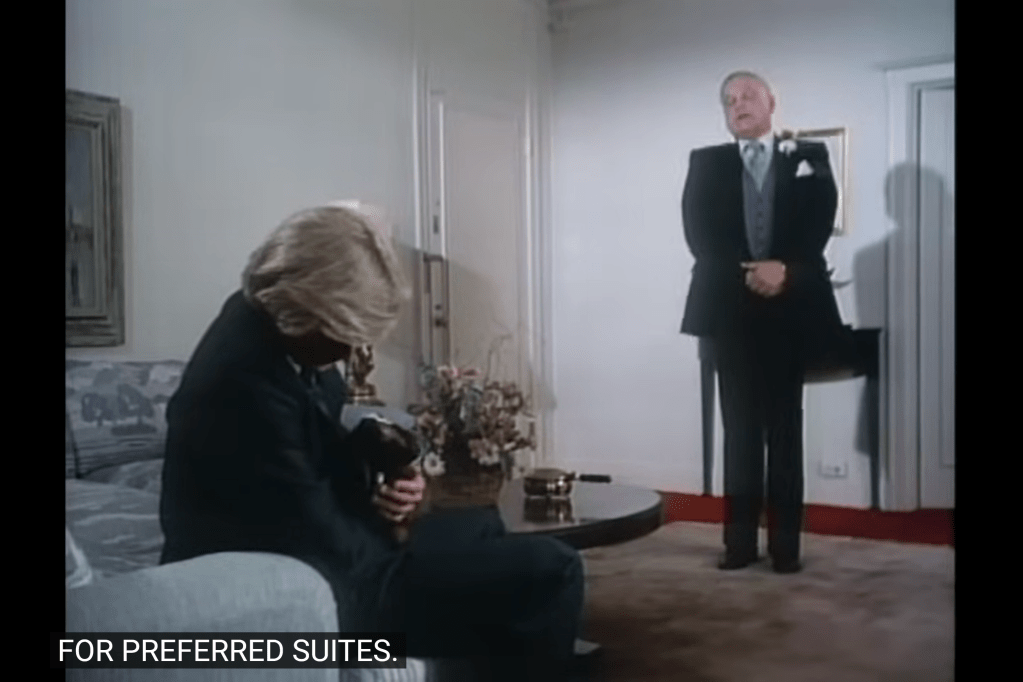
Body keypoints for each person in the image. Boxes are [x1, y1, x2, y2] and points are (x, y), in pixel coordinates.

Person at [159, 202, 586, 680]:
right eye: (348, 333)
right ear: (311, 309)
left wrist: (382, 474)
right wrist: (393, 525)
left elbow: (305, 455)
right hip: (310, 591)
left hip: (313, 547)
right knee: (555, 568)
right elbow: (338, 548)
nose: (353, 351)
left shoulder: (263, 318)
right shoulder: (245, 387)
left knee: (482, 523)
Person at [679, 72, 848, 574]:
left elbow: (819, 221)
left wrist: (785, 271)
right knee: (739, 432)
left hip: (790, 311)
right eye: (729, 100)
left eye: (748, 96)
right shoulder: (706, 163)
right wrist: (750, 272)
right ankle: (738, 545)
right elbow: (699, 232)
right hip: (730, 313)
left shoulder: (808, 157)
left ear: (771, 102)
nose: (739, 105)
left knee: (785, 430)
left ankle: (786, 549)